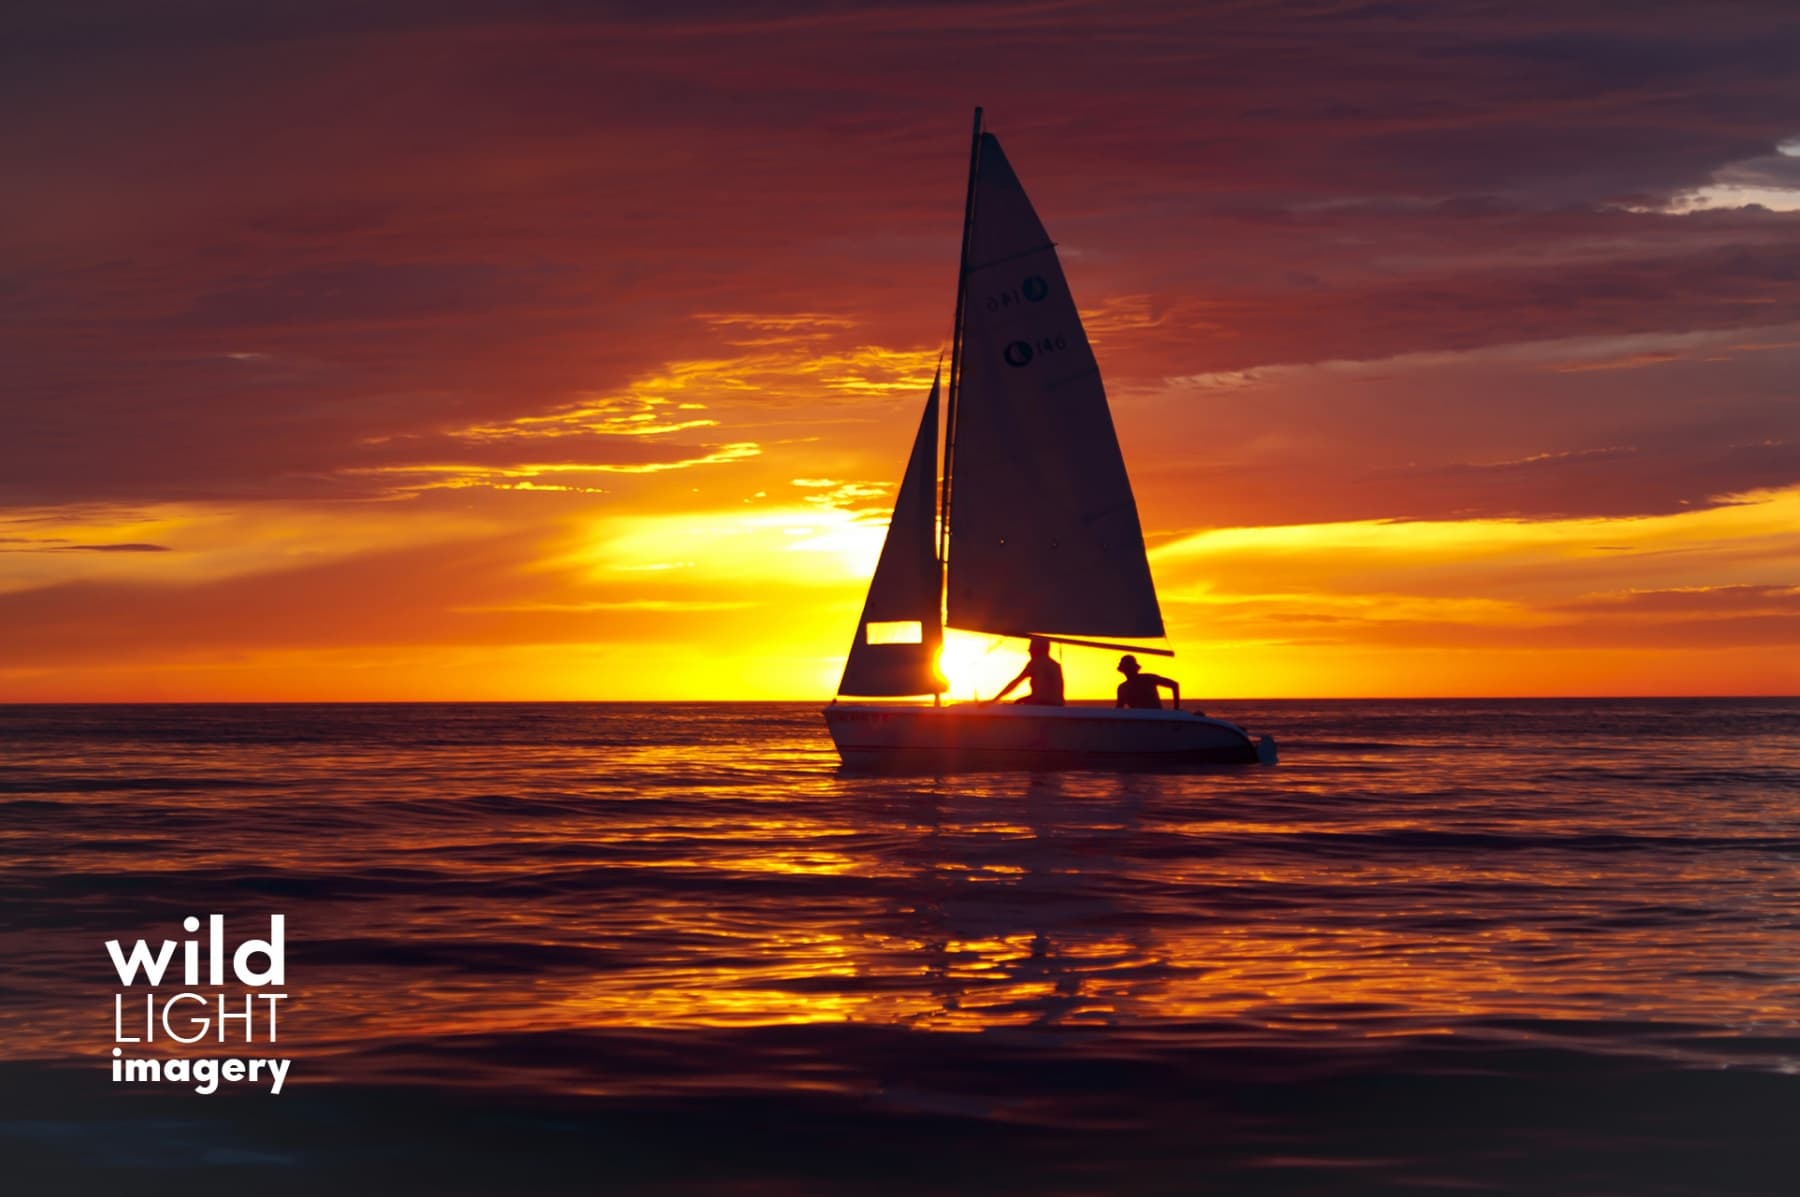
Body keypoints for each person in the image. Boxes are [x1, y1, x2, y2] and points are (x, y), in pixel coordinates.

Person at [989, 636, 1065, 706]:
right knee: (1018, 702)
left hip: (1045, 707)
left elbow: (1016, 682)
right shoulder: (1055, 665)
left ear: (1037, 649)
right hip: (1057, 706)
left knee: (1013, 706)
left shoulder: (1036, 663)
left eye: (1031, 649)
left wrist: (994, 699)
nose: (1030, 653)